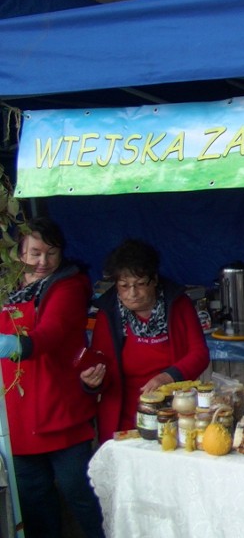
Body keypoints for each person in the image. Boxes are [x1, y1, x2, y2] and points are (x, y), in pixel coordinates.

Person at [0, 216, 105, 538]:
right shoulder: (7, 288)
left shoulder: (69, 285)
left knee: (81, 497)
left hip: (61, 412)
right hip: (17, 418)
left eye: (51, 253)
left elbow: (52, 333)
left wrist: (19, 344)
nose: (43, 261)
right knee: (34, 506)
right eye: (34, 253)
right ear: (19, 254)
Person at [80, 238, 210, 444]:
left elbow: (199, 354)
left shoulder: (178, 305)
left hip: (174, 411)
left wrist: (167, 377)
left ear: (155, 279)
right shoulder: (108, 313)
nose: (133, 293)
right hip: (124, 416)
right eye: (124, 286)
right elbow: (102, 365)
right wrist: (93, 381)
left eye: (140, 284)